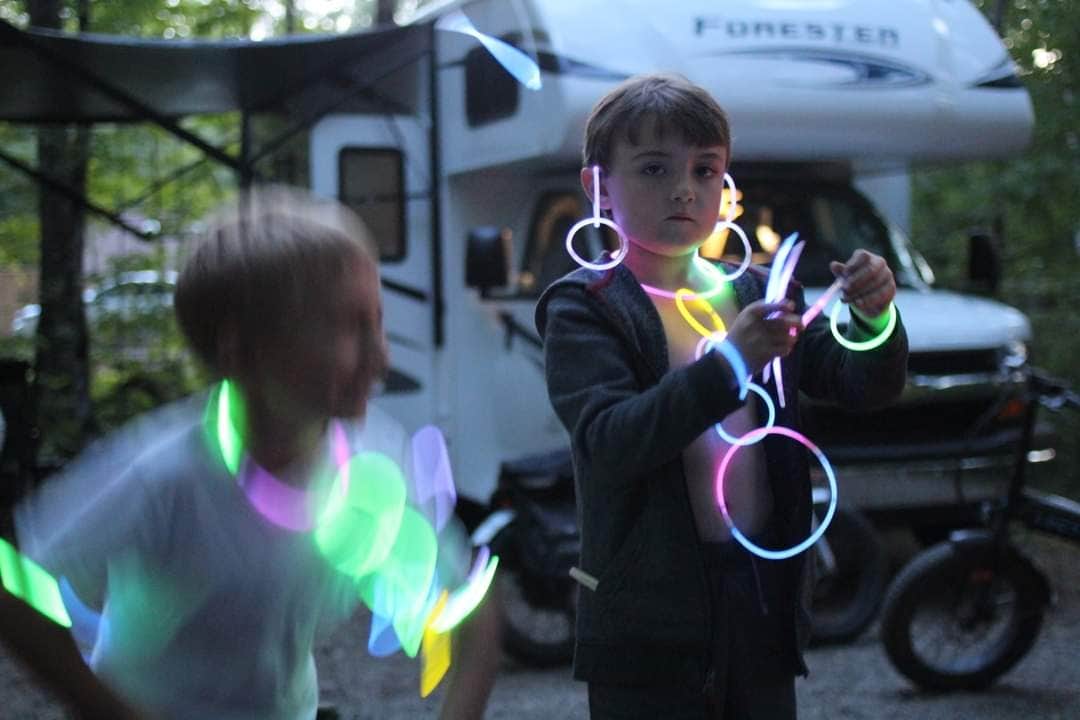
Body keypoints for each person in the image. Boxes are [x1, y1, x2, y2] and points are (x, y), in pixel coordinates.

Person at [14, 186, 497, 720]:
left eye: (376, 321)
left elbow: (472, 613)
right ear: (241, 349)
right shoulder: (165, 478)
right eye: (347, 327)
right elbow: (18, 596)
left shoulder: (372, 463)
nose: (380, 356)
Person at [536, 74, 908, 719]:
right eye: (654, 168)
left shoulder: (755, 292)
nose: (684, 188)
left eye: (705, 169)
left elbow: (862, 385)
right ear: (599, 187)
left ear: (725, 186)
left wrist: (876, 321)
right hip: (647, 615)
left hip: (760, 593)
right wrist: (732, 360)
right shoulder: (587, 306)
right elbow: (611, 442)